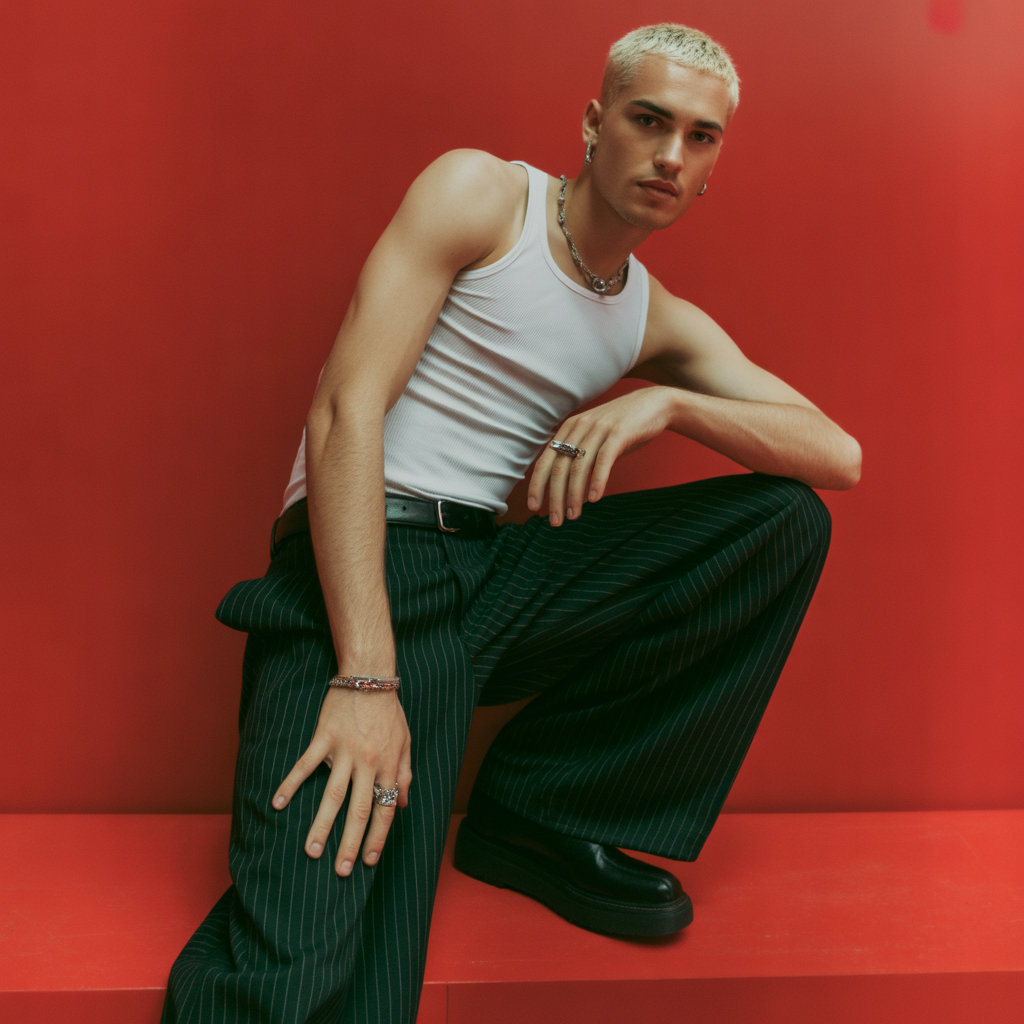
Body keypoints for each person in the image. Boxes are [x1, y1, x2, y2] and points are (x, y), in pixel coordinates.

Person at [162, 22, 860, 1024]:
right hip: (362, 572)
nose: (670, 154)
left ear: (711, 168)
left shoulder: (648, 319)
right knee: (318, 971)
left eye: (700, 138)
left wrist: (670, 405)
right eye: (648, 120)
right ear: (593, 123)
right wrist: (366, 676)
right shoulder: (483, 196)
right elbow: (342, 413)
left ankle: (540, 812)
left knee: (779, 522)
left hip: (487, 580)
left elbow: (840, 456)